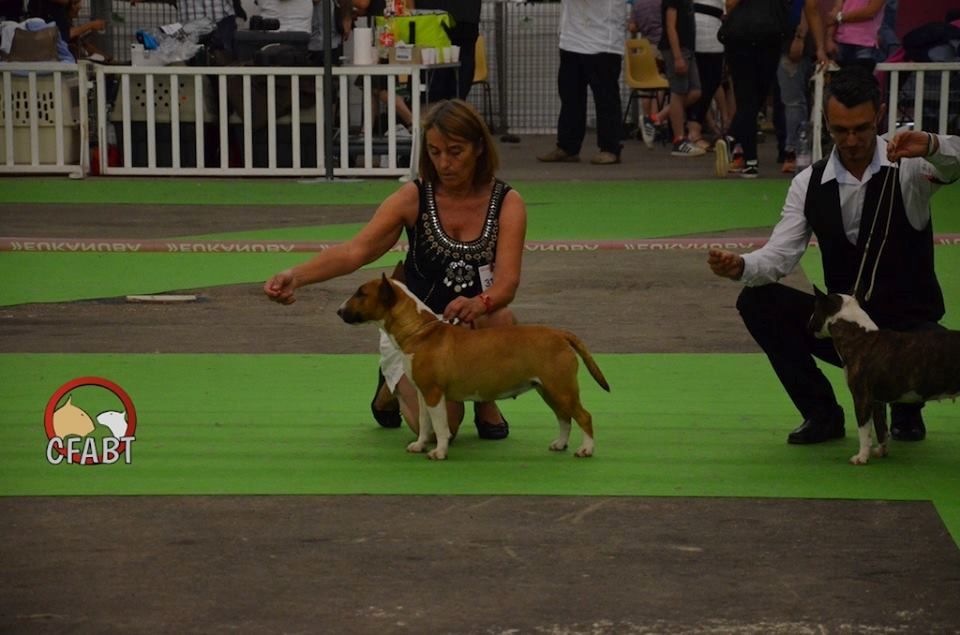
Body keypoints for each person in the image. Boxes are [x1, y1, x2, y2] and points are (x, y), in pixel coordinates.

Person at [707, 64, 960, 445]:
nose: (852, 139)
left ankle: (907, 405)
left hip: (911, 337)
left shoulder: (908, 165)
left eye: (861, 128)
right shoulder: (808, 183)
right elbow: (780, 255)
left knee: (937, 351)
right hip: (849, 333)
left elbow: (955, 164)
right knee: (757, 301)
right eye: (840, 130)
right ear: (827, 122)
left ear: (878, 114)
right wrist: (742, 266)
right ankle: (821, 414)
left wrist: (934, 144)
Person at [264, 99, 527, 440]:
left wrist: (480, 303)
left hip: (469, 327)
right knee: (436, 431)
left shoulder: (508, 202)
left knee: (501, 318)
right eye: (434, 152)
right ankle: (390, 383)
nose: (444, 163)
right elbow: (354, 252)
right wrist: (294, 276)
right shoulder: (413, 198)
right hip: (415, 332)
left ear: (479, 148)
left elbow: (506, 284)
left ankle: (485, 400)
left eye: (455, 151)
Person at [536, 0, 625, 166]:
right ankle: (567, 147)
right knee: (570, 97)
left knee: (606, 98)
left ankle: (610, 148)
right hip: (571, 39)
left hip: (603, 41)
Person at [659, 0, 704, 157]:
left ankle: (657, 117)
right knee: (678, 92)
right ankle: (679, 140)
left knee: (696, 91)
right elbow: (670, 26)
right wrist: (677, 56)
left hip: (688, 48)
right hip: (677, 50)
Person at [414, 0, 481, 102]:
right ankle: (451, 109)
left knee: (438, 83)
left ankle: (442, 110)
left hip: (437, 20)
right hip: (457, 20)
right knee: (457, 80)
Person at [685, 0, 725, 153]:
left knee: (712, 81)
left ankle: (693, 127)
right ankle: (694, 130)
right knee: (703, 84)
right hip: (701, 31)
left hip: (713, 31)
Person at [825, 0, 886, 65]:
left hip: (865, 44)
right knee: (844, 74)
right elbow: (836, 10)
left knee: (862, 74)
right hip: (842, 42)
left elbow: (871, 12)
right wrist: (829, 39)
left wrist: (840, 17)